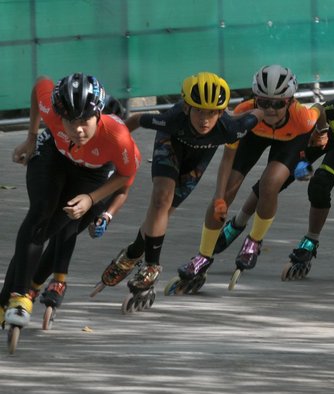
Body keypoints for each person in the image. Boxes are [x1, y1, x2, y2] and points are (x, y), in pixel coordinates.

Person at [97, 72, 263, 311]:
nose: (205, 120)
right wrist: (111, 153)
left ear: (221, 112)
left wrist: (219, 197)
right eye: (199, 111)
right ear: (187, 108)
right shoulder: (172, 118)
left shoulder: (231, 128)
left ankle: (133, 252)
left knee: (164, 213)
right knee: (161, 199)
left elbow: (257, 114)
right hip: (170, 144)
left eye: (212, 112)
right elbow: (133, 121)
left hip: (197, 161)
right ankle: (152, 266)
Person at [226, 65, 334, 280]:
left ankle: (310, 241)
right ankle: (238, 222)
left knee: (320, 185)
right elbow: (317, 109)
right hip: (318, 138)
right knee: (274, 182)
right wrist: (316, 137)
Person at [0, 73, 140, 329]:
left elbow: (126, 176)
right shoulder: (51, 112)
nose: (77, 129)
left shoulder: (118, 138)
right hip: (54, 155)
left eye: (85, 120)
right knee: (41, 214)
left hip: (91, 173)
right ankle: (17, 298)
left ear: (98, 115)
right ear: (59, 115)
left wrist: (93, 200)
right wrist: (31, 137)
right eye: (70, 120)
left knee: (59, 224)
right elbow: (40, 83)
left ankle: (29, 288)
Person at [170, 64, 326, 293]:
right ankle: (203, 256)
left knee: (269, 184)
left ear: (290, 101)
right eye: (263, 102)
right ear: (254, 100)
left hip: (291, 140)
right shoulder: (243, 112)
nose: (270, 110)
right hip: (253, 134)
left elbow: (319, 108)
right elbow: (227, 160)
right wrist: (220, 198)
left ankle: (254, 241)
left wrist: (321, 132)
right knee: (224, 194)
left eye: (278, 103)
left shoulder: (302, 117)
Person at [29, 96, 135, 316]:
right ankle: (45, 284)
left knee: (65, 229)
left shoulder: (123, 146)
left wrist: (107, 216)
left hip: (98, 196)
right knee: (63, 226)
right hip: (81, 191)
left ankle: (39, 285)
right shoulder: (80, 136)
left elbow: (123, 190)